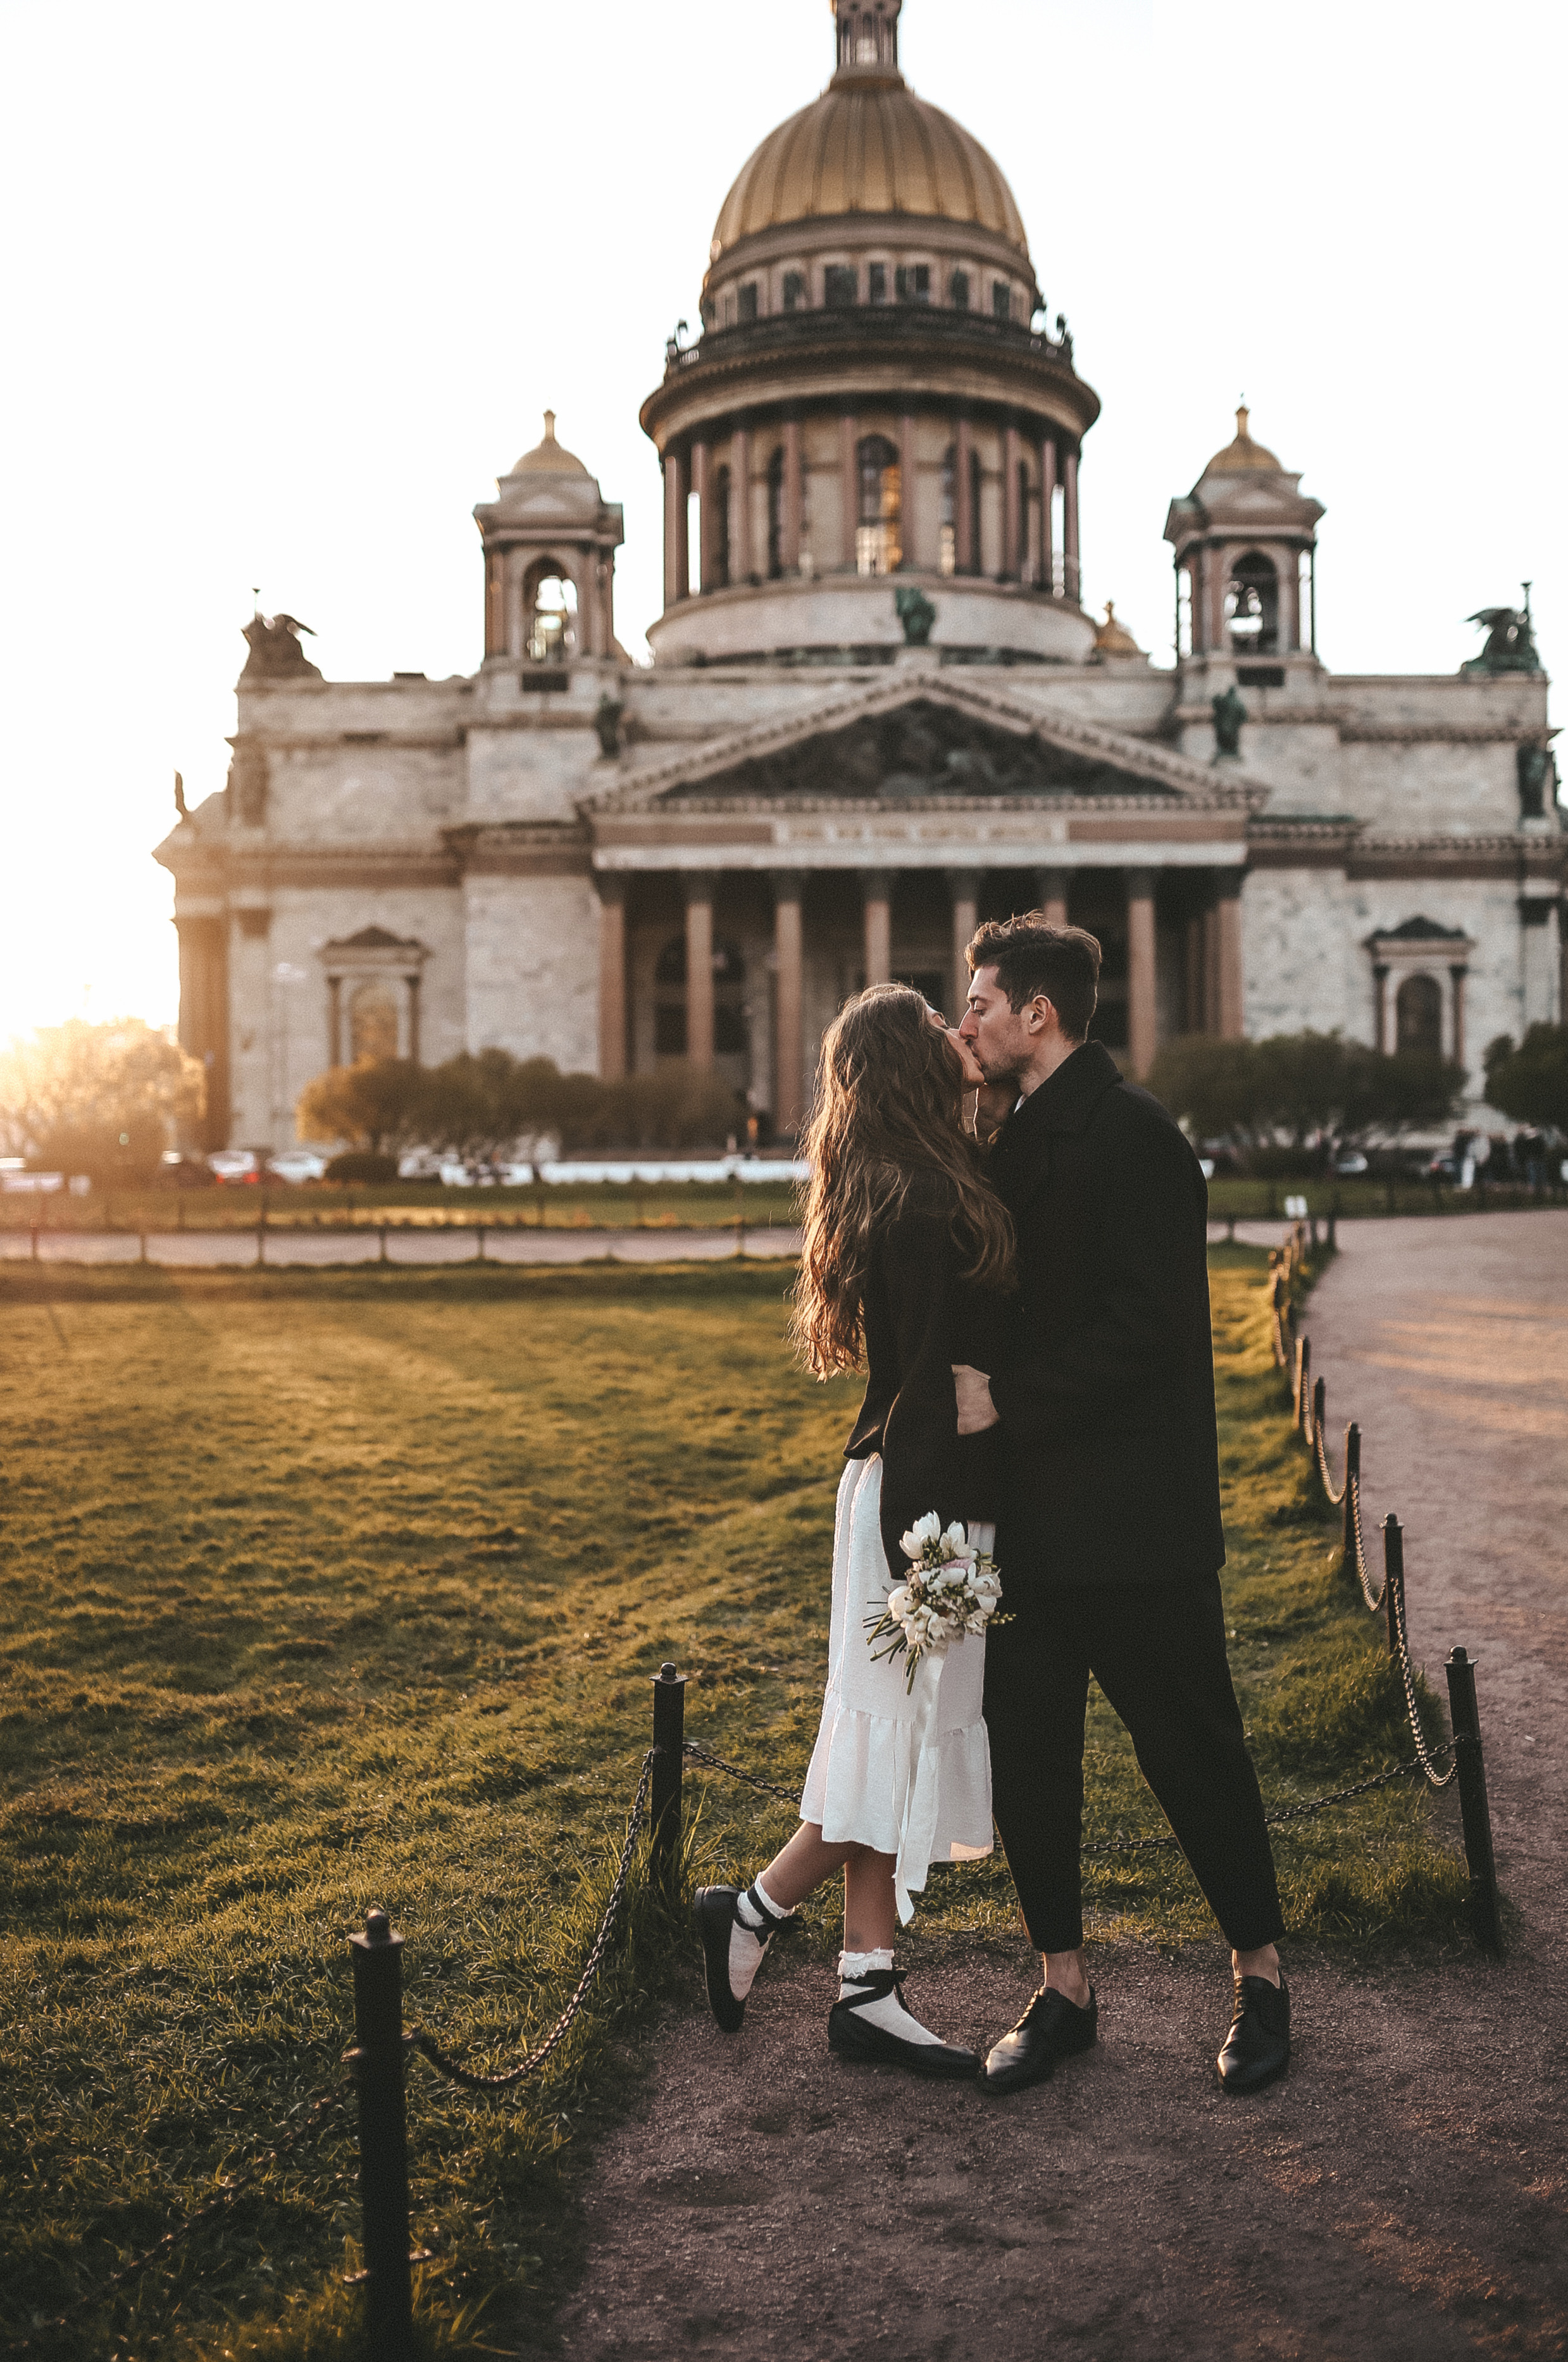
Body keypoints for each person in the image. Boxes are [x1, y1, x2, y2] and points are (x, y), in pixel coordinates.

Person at [953, 916, 1290, 2097]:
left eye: (981, 1002)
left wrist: (1010, 1403)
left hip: (1133, 1519)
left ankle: (1259, 1975)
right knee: (1032, 1760)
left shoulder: (1136, 1133)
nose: (968, 1022)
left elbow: (1149, 1328)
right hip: (1033, 1526)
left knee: (1191, 1751)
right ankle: (1063, 1987)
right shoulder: (1005, 1132)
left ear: (1037, 1012)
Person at [694, 985, 1014, 2077]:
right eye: (935, 1020)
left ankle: (859, 1979)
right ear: (907, 1061)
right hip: (916, 1494)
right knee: (894, 1725)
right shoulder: (923, 1198)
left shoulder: (917, 1174)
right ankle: (753, 1911)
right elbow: (930, 1382)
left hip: (909, 1483)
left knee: (895, 1730)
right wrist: (923, 1548)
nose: (955, 1029)